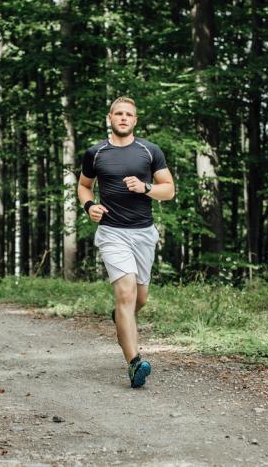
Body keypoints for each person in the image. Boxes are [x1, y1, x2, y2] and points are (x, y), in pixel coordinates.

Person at [77, 96, 175, 388]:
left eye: (128, 114)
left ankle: (121, 318)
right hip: (112, 232)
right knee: (126, 294)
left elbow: (168, 190)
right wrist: (89, 206)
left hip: (144, 233)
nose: (123, 118)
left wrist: (146, 188)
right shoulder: (95, 153)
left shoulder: (150, 151)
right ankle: (134, 363)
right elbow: (84, 186)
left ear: (135, 120)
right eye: (118, 113)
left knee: (138, 300)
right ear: (109, 118)